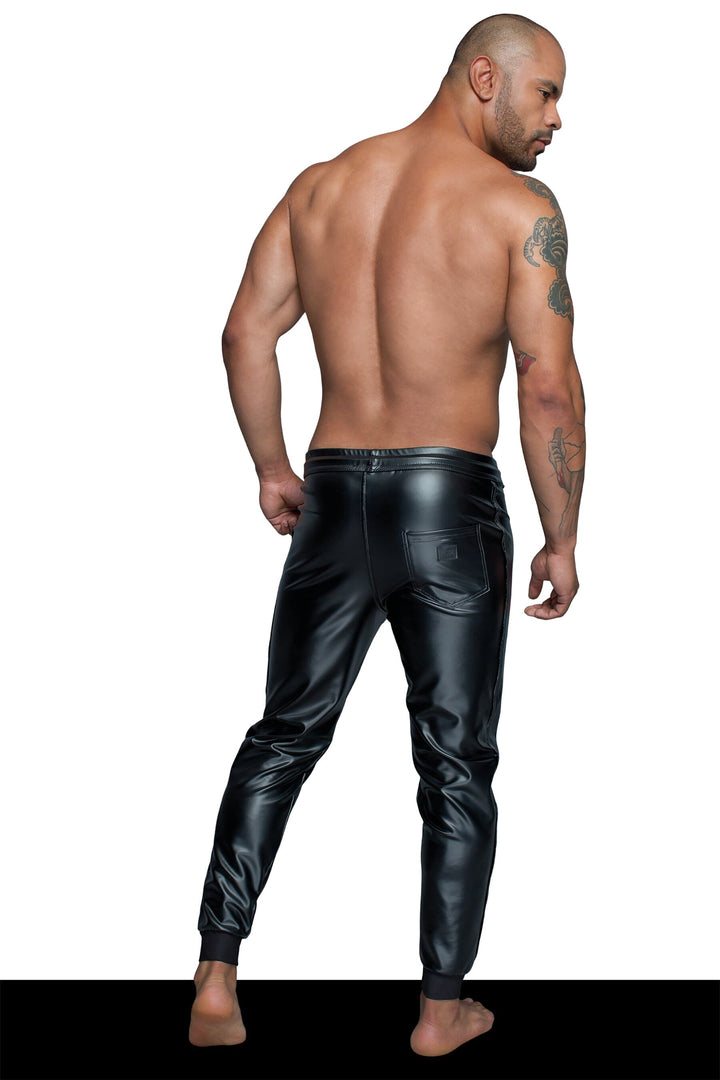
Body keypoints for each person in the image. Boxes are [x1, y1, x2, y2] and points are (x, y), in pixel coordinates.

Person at [189, 11, 586, 1058]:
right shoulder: (517, 208)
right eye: (547, 92)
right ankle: (441, 1010)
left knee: (283, 733)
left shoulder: (322, 186)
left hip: (331, 497)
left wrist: (272, 467)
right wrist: (562, 535)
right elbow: (546, 384)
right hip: (448, 501)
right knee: (455, 762)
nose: (558, 119)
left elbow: (244, 331)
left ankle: (216, 977)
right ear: (486, 80)